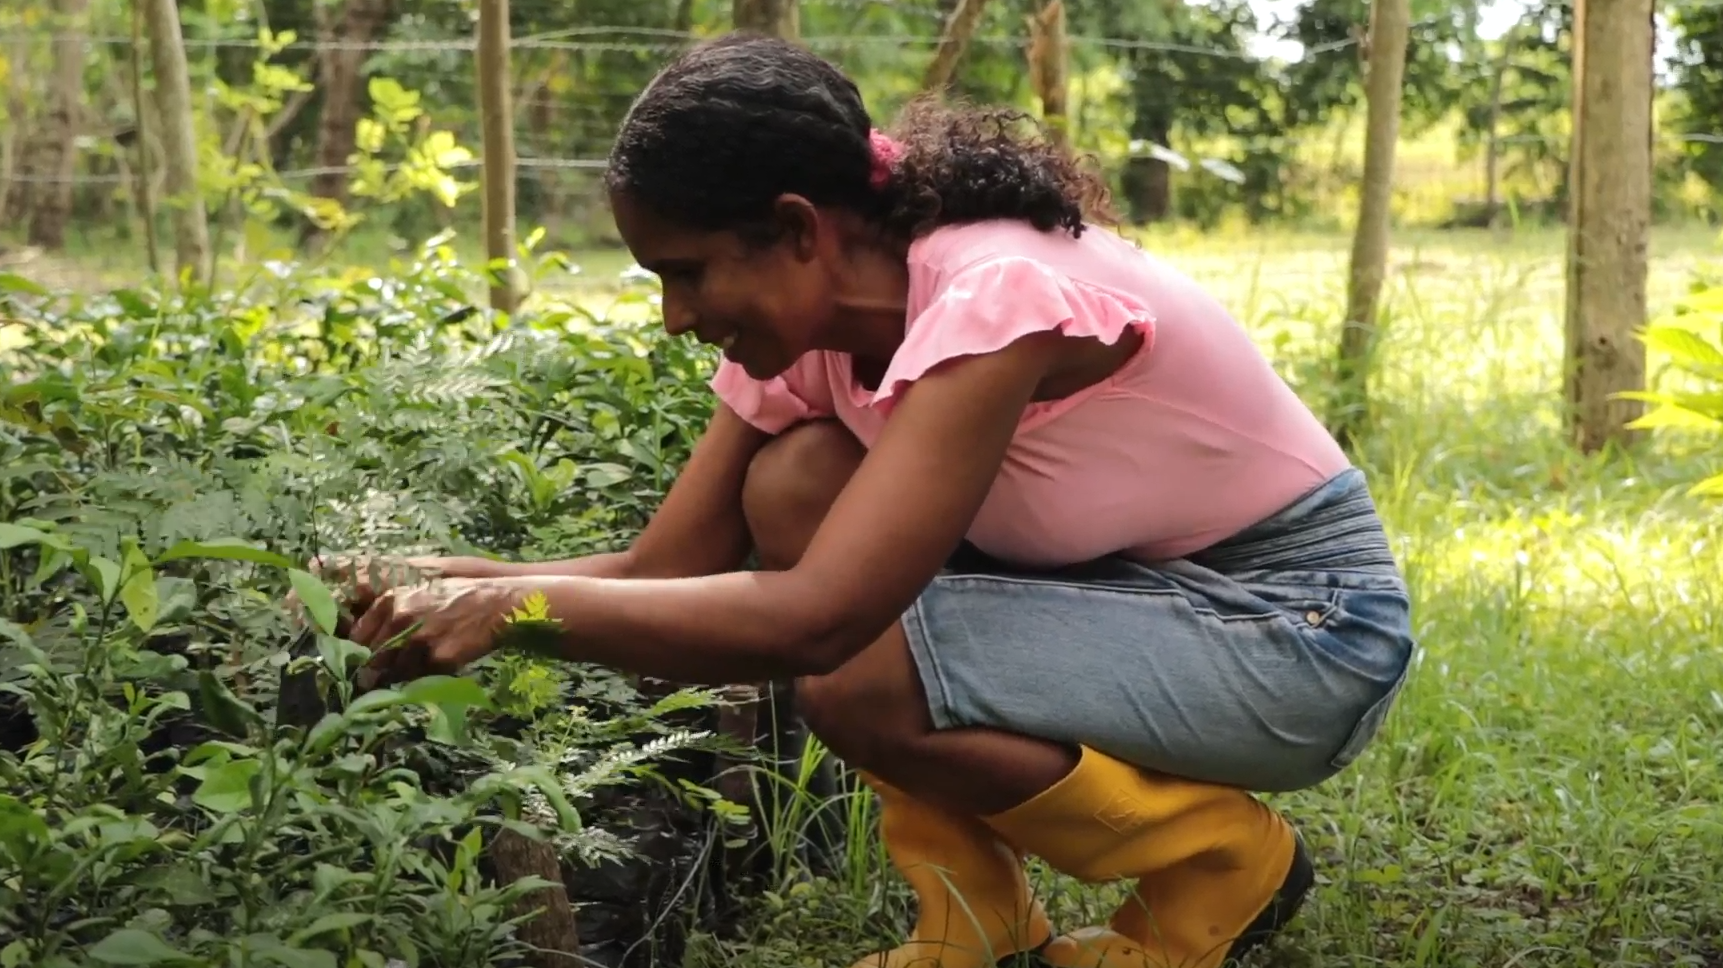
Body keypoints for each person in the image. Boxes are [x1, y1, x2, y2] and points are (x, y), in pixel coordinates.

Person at [327, 32, 1416, 968]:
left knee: (855, 676)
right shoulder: (814, 334)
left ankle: (1220, 864)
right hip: (1139, 601)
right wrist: (446, 578)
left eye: (689, 270)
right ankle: (975, 917)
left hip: (1304, 629)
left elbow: (823, 617)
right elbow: (661, 572)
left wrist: (511, 613)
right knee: (797, 475)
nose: (673, 314)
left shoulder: (994, 293)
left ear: (800, 228)